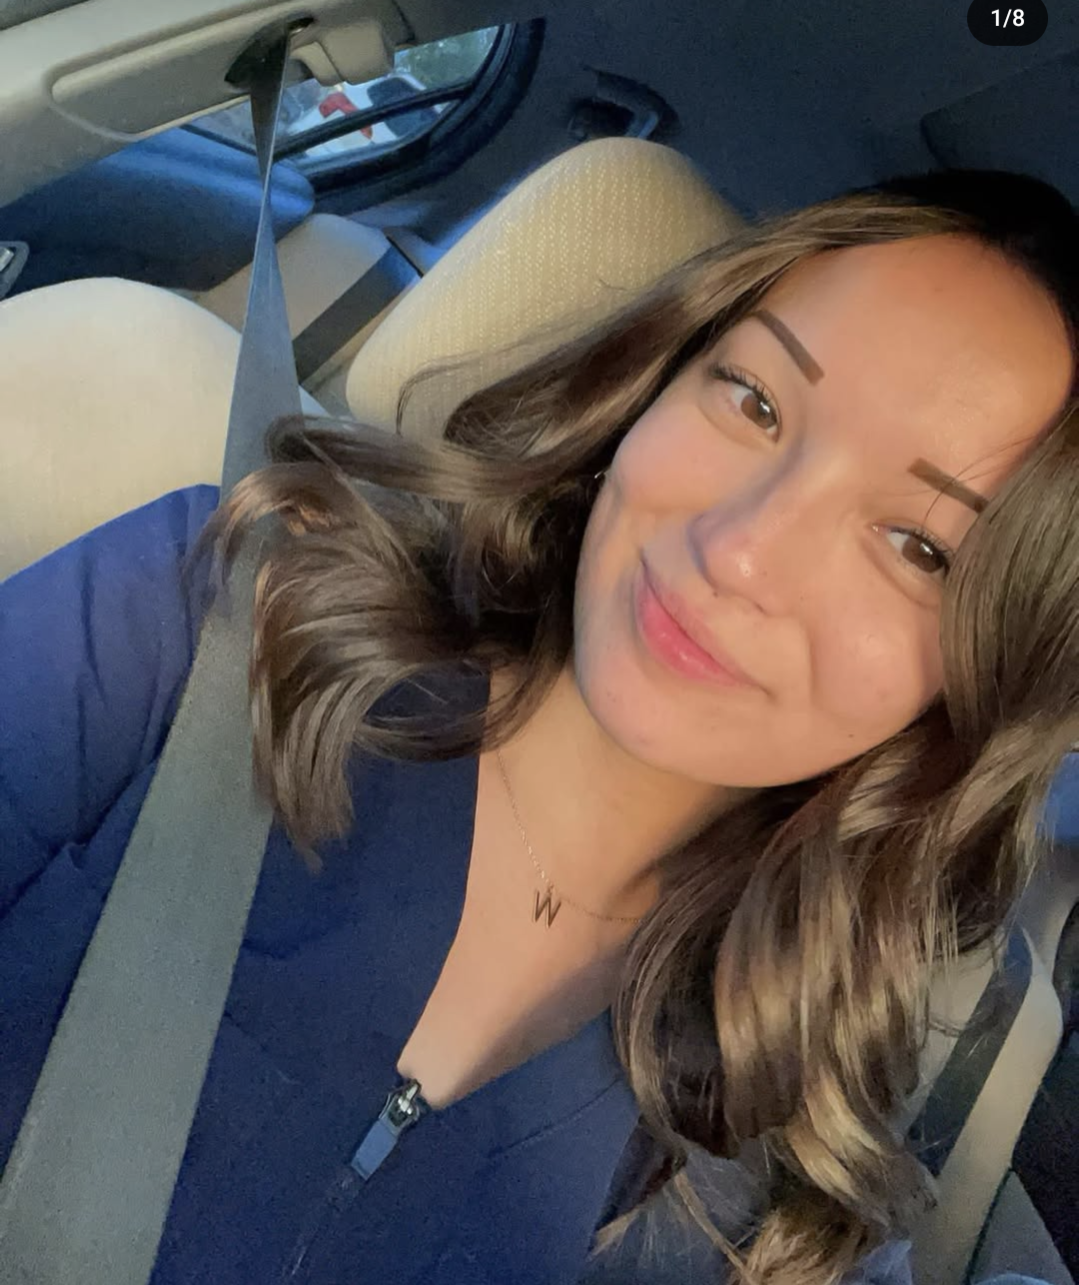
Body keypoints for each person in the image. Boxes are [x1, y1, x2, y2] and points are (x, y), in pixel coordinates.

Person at [1, 167, 1077, 1285]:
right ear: (656, 380)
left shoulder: (784, 1136)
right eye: (753, 403)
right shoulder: (223, 628)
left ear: (979, 677)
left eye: (917, 546)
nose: (740, 551)